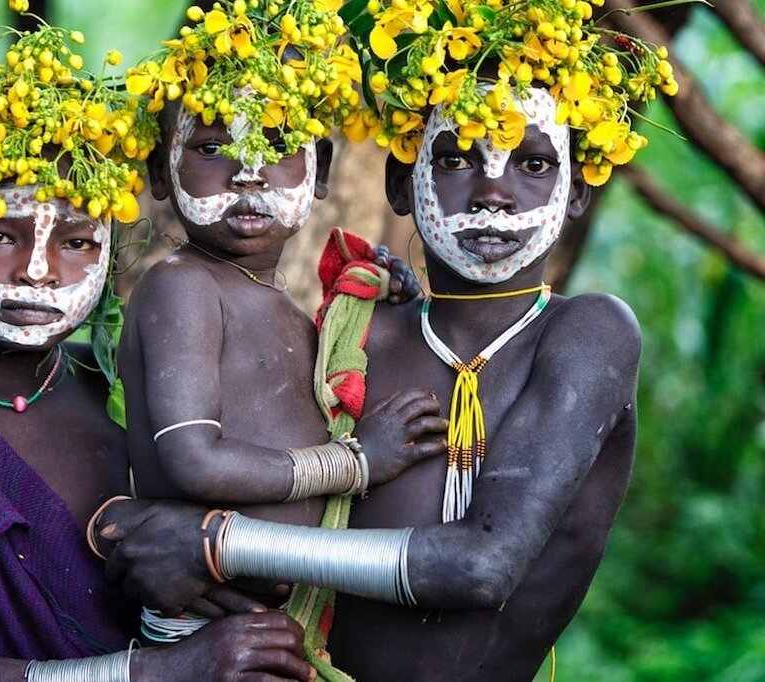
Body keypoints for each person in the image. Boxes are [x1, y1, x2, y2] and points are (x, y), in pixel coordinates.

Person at [94, 2, 682, 679]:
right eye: (457, 158)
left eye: (533, 163)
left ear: (579, 188)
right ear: (402, 183)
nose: (493, 192)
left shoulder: (589, 335)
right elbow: (194, 431)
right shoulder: (354, 331)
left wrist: (215, 545)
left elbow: (481, 568)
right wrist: (130, 523)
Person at [0, 10, 312, 681]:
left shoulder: (123, 387)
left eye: (76, 242)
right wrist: (160, 672)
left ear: (109, 256)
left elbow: (221, 571)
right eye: (0, 234)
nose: (38, 270)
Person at [117, 0, 447, 650]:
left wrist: (383, 310)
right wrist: (356, 464)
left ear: (319, 172)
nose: (246, 170)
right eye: (213, 147)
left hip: (275, 626)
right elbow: (192, 461)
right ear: (161, 170)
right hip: (200, 631)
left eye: (274, 145)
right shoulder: (181, 286)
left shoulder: (288, 314)